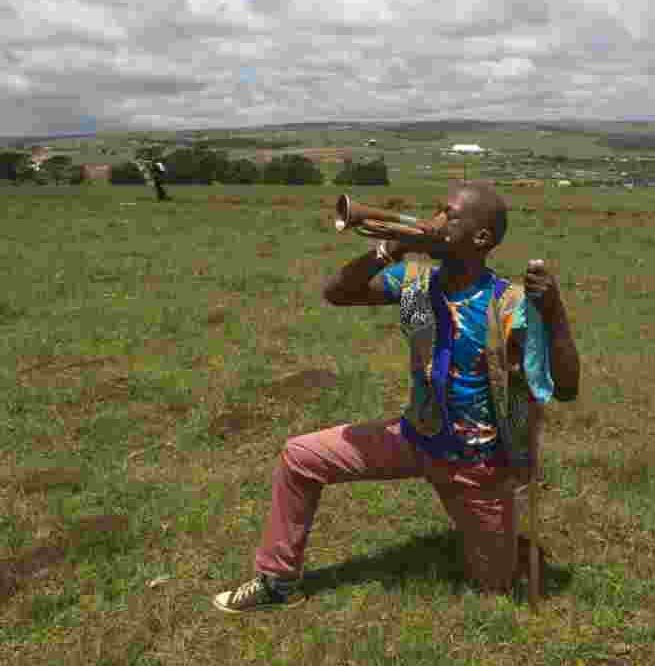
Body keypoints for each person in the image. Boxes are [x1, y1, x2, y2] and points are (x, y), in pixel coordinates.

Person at [213, 181, 580, 613]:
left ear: (481, 238)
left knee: (493, 590)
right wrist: (386, 250)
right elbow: (338, 294)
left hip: (476, 466)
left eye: (449, 215)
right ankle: (277, 581)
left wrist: (553, 313)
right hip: (413, 437)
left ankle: (499, 544)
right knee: (299, 457)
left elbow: (568, 388)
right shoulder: (414, 283)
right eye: (437, 211)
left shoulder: (508, 303)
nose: (434, 221)